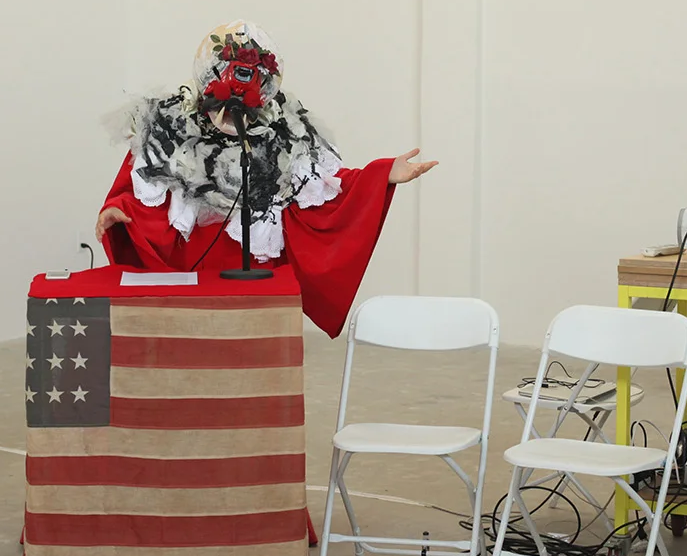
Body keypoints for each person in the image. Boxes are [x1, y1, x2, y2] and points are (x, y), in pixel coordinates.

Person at [97, 20, 435, 338]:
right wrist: (117, 209)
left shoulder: (286, 134)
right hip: (194, 270)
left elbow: (324, 188)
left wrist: (382, 174)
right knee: (196, 352)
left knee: (251, 355)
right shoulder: (170, 128)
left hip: (253, 275)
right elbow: (140, 188)